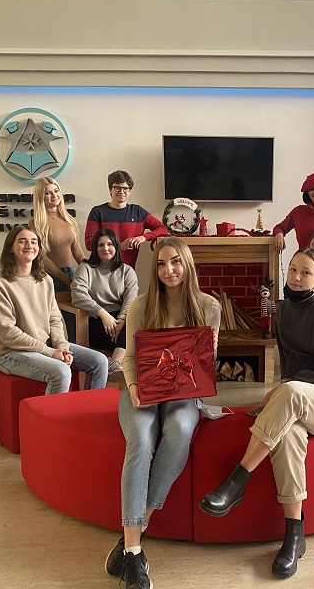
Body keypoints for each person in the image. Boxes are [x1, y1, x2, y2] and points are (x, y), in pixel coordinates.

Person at [198, 247, 314, 579]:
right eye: (293, 269)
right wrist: (285, 388)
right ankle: (294, 536)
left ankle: (238, 479)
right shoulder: (282, 311)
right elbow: (289, 366)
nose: (296, 277)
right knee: (289, 436)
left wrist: (287, 388)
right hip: (297, 399)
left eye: (306, 272)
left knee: (291, 392)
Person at [104, 237, 221, 589]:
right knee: (140, 440)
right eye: (161, 264)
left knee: (181, 430)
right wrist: (134, 388)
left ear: (187, 265)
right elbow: (129, 358)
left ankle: (135, 534)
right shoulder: (141, 305)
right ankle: (135, 552)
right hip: (141, 391)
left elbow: (205, 366)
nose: (168, 270)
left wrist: (208, 357)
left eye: (175, 262)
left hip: (184, 396)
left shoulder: (209, 307)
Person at [0, 226, 108, 394]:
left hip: (46, 345)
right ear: (10, 248)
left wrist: (61, 345)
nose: (29, 246)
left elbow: (54, 319)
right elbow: (8, 333)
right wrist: (49, 352)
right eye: (22, 241)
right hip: (11, 353)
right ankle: (55, 413)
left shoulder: (45, 280)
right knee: (61, 372)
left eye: (34, 242)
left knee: (99, 361)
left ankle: (90, 408)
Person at [70, 228, 139, 378]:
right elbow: (77, 295)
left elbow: (131, 298)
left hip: (121, 322)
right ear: (95, 248)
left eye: (110, 244)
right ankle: (117, 365)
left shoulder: (127, 271)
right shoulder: (85, 268)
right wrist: (103, 314)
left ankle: (115, 363)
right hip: (96, 322)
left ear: (116, 246)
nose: (105, 248)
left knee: (136, 320)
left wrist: (121, 319)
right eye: (100, 245)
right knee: (133, 335)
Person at [84, 170, 168, 269]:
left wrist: (143, 237)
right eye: (117, 188)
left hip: (128, 271)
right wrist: (119, 246)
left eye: (125, 188)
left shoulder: (138, 212)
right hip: (101, 270)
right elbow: (89, 244)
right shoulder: (97, 212)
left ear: (129, 191)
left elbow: (162, 229)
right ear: (110, 190)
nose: (121, 191)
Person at [28, 176, 86, 292]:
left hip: (70, 273)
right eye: (47, 193)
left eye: (56, 191)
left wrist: (92, 271)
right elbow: (41, 257)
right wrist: (65, 279)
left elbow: (78, 253)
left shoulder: (70, 220)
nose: (54, 195)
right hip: (48, 276)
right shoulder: (36, 223)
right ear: (40, 197)